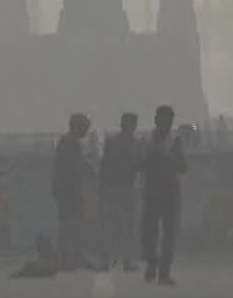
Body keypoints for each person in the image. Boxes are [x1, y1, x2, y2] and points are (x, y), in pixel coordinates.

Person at [140, 104, 189, 285]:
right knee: (150, 233)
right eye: (163, 120)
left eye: (168, 121)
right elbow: (140, 165)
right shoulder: (147, 141)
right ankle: (153, 264)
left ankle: (163, 270)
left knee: (167, 234)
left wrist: (169, 160)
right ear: (156, 120)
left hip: (167, 192)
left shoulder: (174, 141)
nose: (166, 124)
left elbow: (183, 167)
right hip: (155, 191)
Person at [99, 112, 143, 271]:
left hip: (117, 187)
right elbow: (139, 165)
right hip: (123, 187)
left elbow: (104, 165)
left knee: (114, 226)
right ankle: (124, 261)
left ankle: (110, 260)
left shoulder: (114, 142)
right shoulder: (133, 143)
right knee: (123, 226)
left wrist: (102, 186)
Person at [53, 113, 96, 271]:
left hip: (65, 189)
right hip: (69, 190)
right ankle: (68, 259)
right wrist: (90, 169)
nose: (86, 130)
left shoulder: (66, 142)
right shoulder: (71, 143)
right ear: (77, 126)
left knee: (68, 224)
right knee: (71, 225)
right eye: (84, 127)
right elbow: (75, 167)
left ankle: (68, 257)